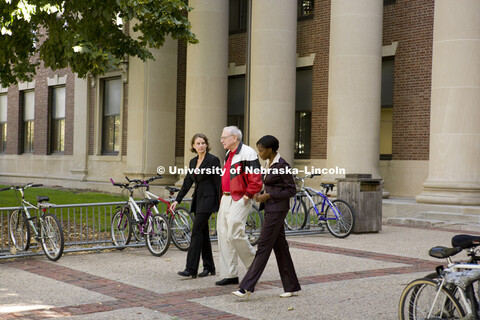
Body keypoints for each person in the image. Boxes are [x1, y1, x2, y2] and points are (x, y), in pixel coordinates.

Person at [232, 135, 301, 299]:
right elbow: (274, 186)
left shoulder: (282, 164)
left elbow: (291, 190)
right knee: (280, 248)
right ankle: (291, 286)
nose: (259, 153)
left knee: (263, 246)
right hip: (271, 208)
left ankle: (246, 287)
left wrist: (269, 195)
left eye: (261, 150)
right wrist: (262, 195)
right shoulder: (270, 163)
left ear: (270, 150)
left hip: (277, 210)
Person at [215, 126, 263, 286]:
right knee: (223, 235)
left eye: (224, 137)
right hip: (227, 197)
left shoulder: (248, 153)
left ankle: (254, 267)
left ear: (234, 138)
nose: (221, 140)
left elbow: (256, 179)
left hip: (240, 198)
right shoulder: (229, 153)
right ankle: (230, 274)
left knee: (234, 233)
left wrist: (246, 197)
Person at [171, 133, 221, 278]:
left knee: (196, 232)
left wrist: (221, 202)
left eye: (203, 143)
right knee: (203, 234)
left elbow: (218, 182)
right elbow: (188, 182)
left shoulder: (213, 160)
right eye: (198, 143)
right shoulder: (193, 162)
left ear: (207, 144)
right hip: (198, 200)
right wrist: (177, 200)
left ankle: (191, 268)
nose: (201, 146)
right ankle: (209, 267)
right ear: (193, 146)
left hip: (209, 199)